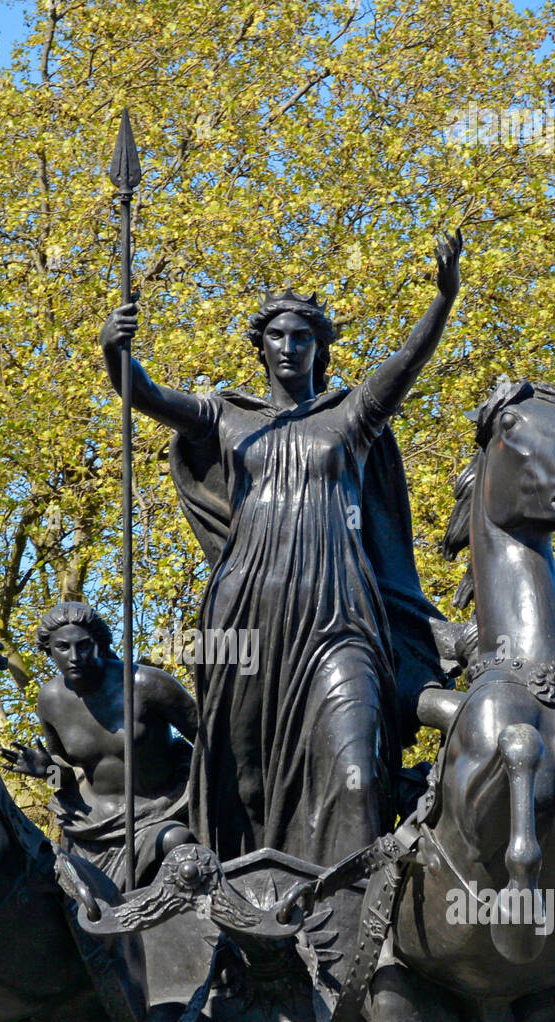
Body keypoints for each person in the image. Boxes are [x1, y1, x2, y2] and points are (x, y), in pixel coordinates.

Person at [99, 233, 462, 866]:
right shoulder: (225, 416)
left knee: (355, 770)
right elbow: (144, 396)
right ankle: (240, 915)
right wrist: (114, 349)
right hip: (246, 616)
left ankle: (350, 912)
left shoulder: (351, 415)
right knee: (241, 780)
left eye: (303, 337)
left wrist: (444, 299)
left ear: (320, 348)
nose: (290, 347)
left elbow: (407, 360)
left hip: (337, 618)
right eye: (278, 336)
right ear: (260, 346)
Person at [2, 601, 197, 889]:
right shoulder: (50, 700)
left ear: (100, 644)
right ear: (49, 652)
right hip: (91, 828)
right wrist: (47, 771)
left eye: (84, 645)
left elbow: (209, 738)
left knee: (177, 844)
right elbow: (66, 776)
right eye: (62, 648)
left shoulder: (146, 684)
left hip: (162, 810)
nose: (74, 657)